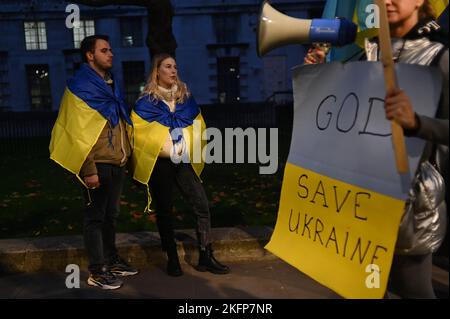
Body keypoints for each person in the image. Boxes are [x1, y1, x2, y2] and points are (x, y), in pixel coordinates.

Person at [306, 0, 448, 298]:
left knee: (414, 290)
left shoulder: (440, 54)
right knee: (366, 290)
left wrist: (417, 123)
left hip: (412, 202)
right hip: (364, 199)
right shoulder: (368, 50)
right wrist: (318, 79)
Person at [49, 35, 138, 290]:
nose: (111, 54)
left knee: (111, 216)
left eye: (110, 50)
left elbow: (120, 123)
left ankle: (111, 261)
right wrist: (88, 169)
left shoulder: (110, 84)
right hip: (97, 164)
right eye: (104, 50)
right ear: (90, 55)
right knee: (95, 218)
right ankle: (97, 271)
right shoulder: (79, 87)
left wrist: (128, 157)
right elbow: (76, 132)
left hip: (116, 162)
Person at [129, 53, 230, 277]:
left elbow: (198, 124)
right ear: (157, 71)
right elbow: (137, 133)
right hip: (160, 164)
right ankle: (172, 258)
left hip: (183, 161)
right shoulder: (146, 103)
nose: (173, 70)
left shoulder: (185, 99)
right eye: (167, 66)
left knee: (201, 205)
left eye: (175, 66)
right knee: (165, 211)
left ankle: (206, 255)